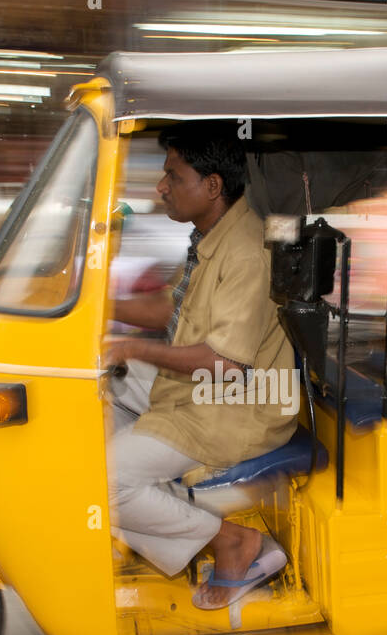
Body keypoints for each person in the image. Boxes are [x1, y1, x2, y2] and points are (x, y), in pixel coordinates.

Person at [106, 123, 296, 610]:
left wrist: (132, 350)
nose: (161, 187)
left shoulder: (246, 252)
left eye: (173, 175)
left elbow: (225, 363)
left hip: (239, 404)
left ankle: (231, 542)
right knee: (97, 383)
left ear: (212, 186)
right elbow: (170, 311)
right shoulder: (209, 235)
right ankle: (159, 509)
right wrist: (97, 309)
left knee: (100, 481)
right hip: (198, 388)